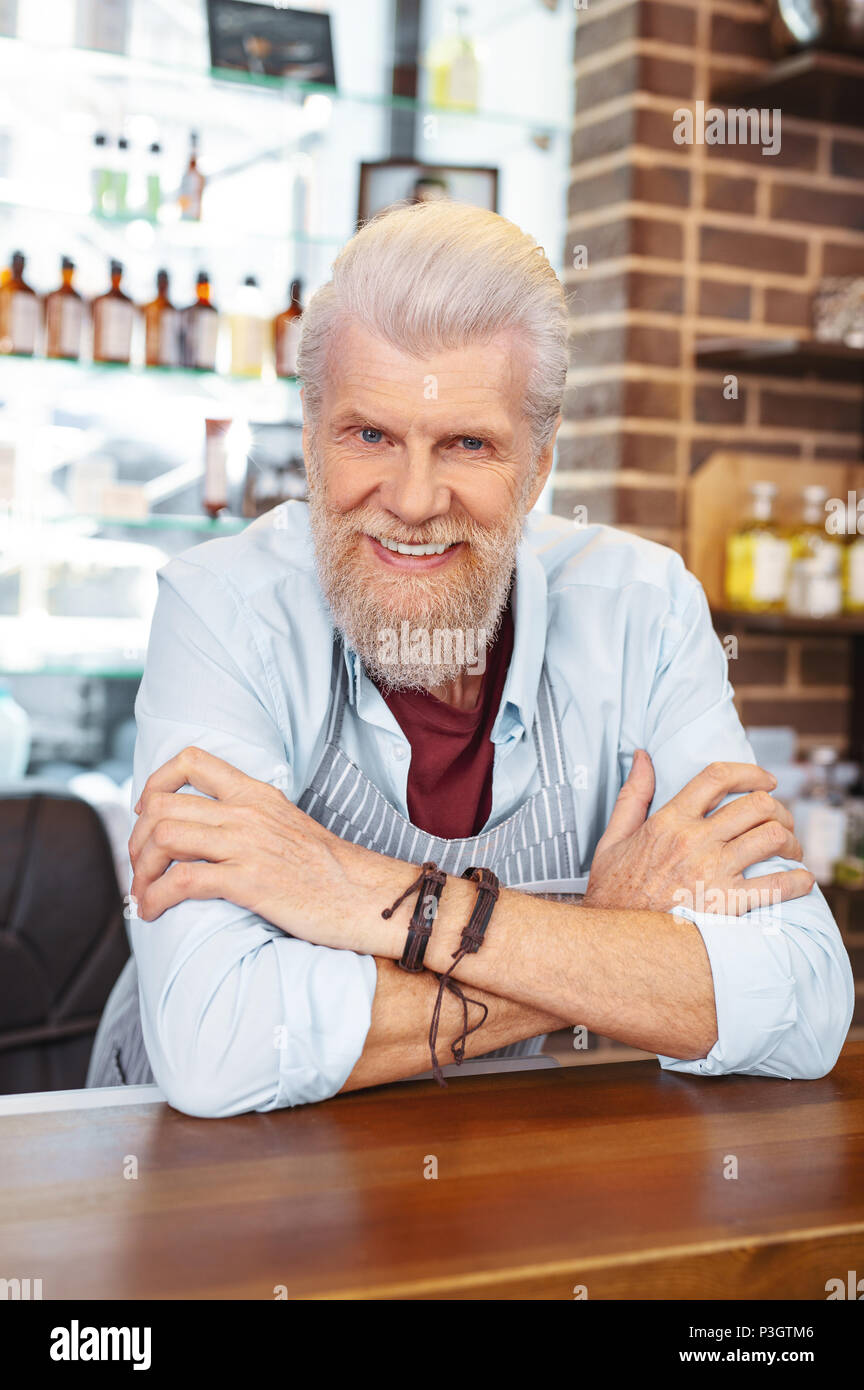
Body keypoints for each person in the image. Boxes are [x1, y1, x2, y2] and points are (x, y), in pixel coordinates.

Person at [87, 201, 853, 1115]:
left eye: (467, 444)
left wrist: (352, 889)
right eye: (369, 435)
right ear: (310, 435)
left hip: (516, 1160)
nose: (412, 501)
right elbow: (222, 1047)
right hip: (201, 1186)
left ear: (538, 465)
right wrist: (605, 941)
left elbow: (804, 998)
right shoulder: (222, 609)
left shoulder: (644, 611)